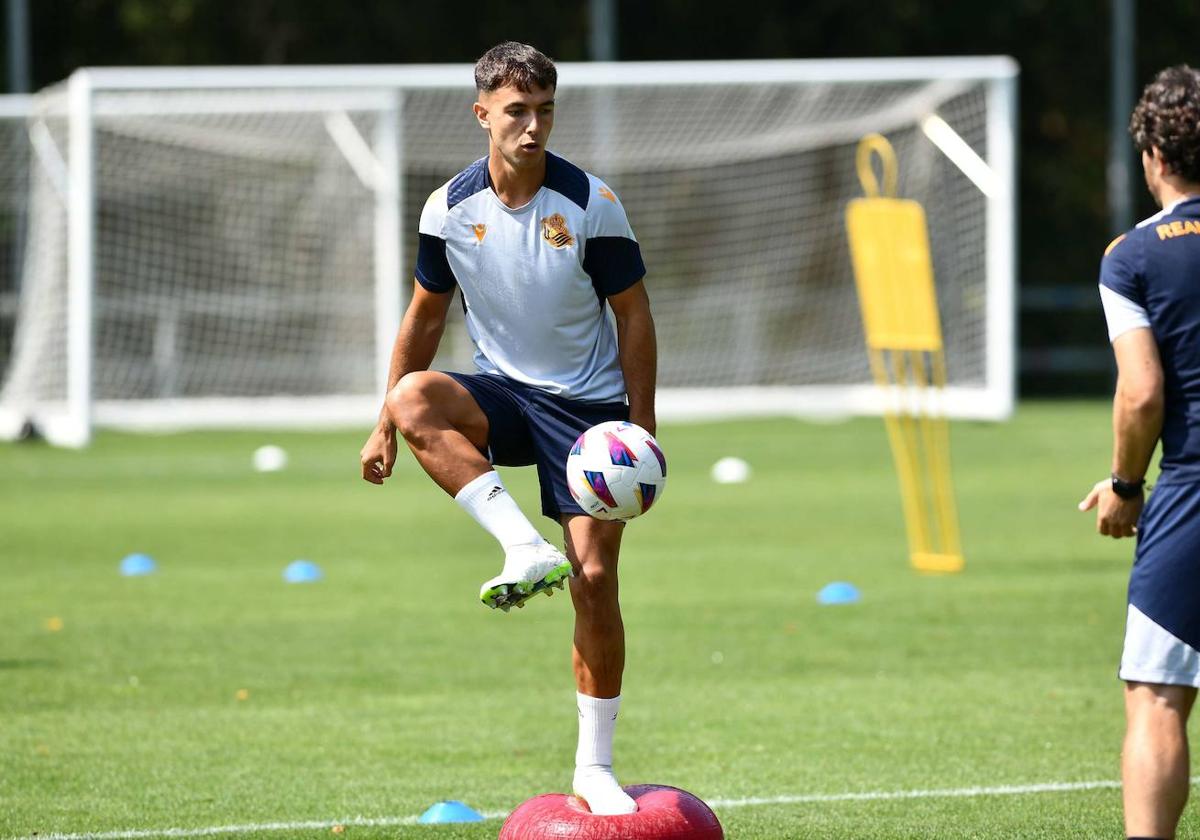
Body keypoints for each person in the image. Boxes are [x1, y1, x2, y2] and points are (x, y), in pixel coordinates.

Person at [359, 42, 655, 816]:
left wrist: (642, 429)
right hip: (501, 394)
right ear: (482, 113)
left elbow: (634, 314)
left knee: (593, 584)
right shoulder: (449, 209)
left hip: (588, 412)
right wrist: (381, 424)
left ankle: (595, 768)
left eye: (545, 110)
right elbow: (423, 318)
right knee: (415, 397)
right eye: (517, 111)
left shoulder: (592, 202)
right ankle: (522, 547)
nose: (533, 127)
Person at [1079, 64, 1200, 840]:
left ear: (1153, 154)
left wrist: (1126, 482)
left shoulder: (1132, 257)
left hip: (1191, 489)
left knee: (1156, 695)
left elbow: (1143, 393)